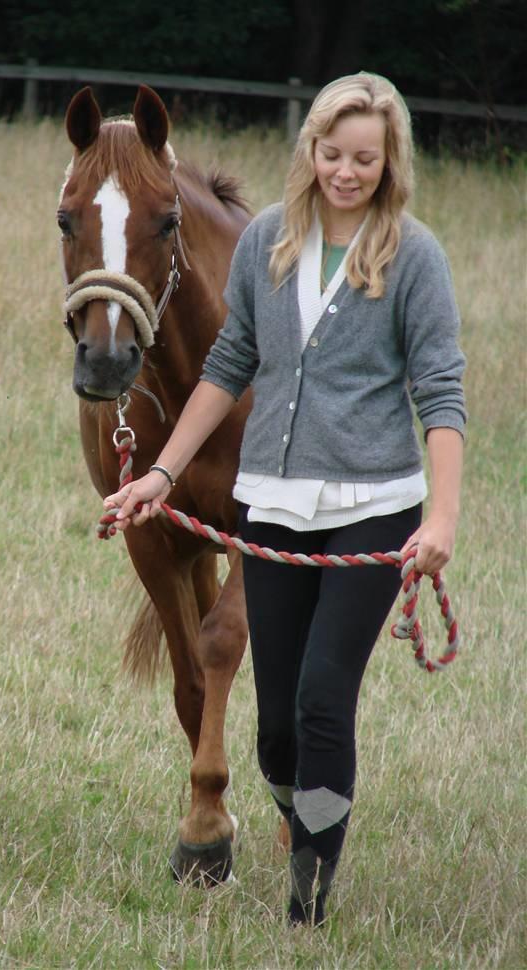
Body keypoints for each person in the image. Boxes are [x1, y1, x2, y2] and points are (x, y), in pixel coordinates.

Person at [103, 72, 466, 926]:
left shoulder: (416, 256)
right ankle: (290, 804)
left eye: (365, 158)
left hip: (373, 509)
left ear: (390, 162)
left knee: (321, 696)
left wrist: (441, 518)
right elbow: (229, 365)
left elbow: (440, 394)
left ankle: (308, 900)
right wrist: (158, 475)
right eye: (333, 153)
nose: (347, 171)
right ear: (310, 149)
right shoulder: (269, 238)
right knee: (274, 735)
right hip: (271, 510)